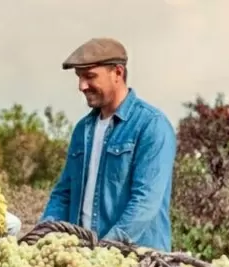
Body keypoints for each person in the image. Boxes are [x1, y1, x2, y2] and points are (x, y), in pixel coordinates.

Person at [40, 37, 177, 252]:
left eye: (90, 76)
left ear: (118, 73)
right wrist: (43, 235)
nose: (81, 86)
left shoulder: (152, 125)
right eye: (79, 77)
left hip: (137, 263)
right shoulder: (82, 130)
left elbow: (145, 203)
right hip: (86, 261)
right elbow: (64, 193)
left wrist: (104, 252)